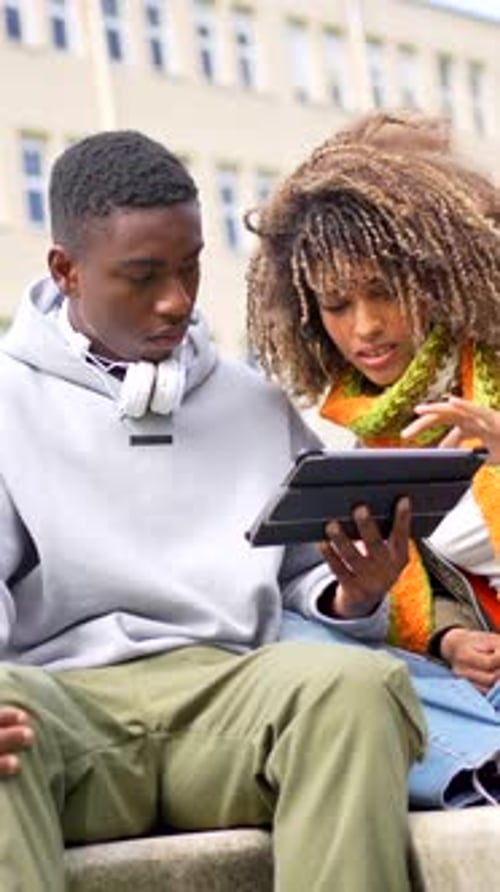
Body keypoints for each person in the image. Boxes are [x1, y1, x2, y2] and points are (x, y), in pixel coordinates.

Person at [0, 129, 425, 892]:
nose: (178, 300)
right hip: (67, 712)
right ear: (66, 271)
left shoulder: (252, 403)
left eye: (191, 267)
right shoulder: (6, 405)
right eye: (143, 276)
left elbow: (306, 583)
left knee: (354, 688)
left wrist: (353, 592)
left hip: (229, 704)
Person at [246, 110, 500, 808]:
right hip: (457, 687)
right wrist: (444, 637)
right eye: (335, 303)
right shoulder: (330, 432)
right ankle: (481, 763)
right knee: (287, 635)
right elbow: (374, 608)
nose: (365, 327)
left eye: (384, 291)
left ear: (441, 273)